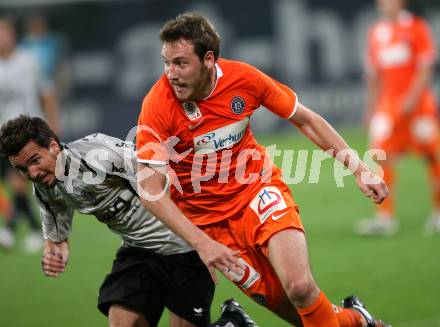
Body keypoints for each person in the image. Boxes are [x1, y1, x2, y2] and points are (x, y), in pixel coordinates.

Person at [135, 12, 390, 327]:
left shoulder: (245, 79)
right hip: (211, 226)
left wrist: (359, 168)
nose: (170, 73)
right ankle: (358, 320)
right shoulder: (157, 106)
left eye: (180, 63)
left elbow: (305, 119)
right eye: (166, 62)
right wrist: (202, 243)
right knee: (297, 312)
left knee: (300, 287)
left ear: (208, 59)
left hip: (259, 192)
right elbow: (150, 192)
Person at [0, 115, 258, 327]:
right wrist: (56, 248)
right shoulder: (45, 185)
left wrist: (202, 242)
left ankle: (233, 323)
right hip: (139, 251)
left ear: (53, 146)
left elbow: (166, 177)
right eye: (22, 169)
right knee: (123, 322)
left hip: (184, 248)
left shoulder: (98, 154)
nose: (31, 173)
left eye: (35, 161)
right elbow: (55, 221)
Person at [357, 0, 440, 236]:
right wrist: (371, 108)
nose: (385, 4)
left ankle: (438, 213)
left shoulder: (416, 27)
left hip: (418, 106)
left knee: (432, 155)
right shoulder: (376, 33)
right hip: (389, 107)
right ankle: (385, 217)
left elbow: (426, 66)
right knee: (379, 155)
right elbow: (373, 76)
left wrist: (413, 97)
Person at [0, 15, 59, 252]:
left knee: (19, 183)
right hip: (3, 134)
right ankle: (15, 228)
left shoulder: (29, 61)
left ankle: (29, 230)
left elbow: (46, 92)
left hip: (27, 133)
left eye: (4, 32)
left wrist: (53, 122)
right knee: (16, 185)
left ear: (13, 35)